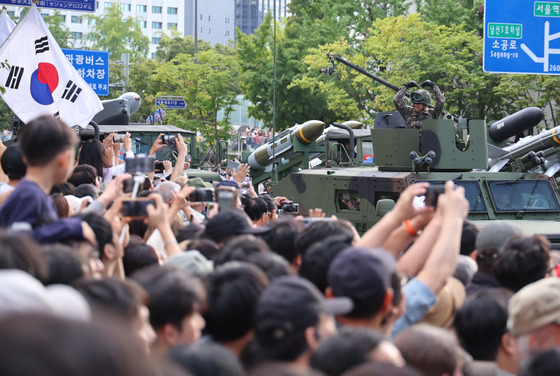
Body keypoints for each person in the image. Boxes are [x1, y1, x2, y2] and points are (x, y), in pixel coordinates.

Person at [0, 116, 95, 245]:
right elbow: (20, 242)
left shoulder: (28, 193)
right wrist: (72, 226)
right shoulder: (30, 196)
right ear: (63, 159)